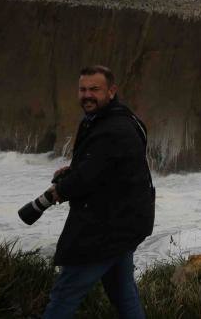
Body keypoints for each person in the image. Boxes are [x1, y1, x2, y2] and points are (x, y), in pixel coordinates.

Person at [43, 65, 154, 318]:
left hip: (102, 229)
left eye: (95, 89)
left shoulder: (112, 129)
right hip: (126, 224)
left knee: (64, 295)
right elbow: (105, 167)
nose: (87, 95)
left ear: (111, 91)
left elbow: (87, 176)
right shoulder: (118, 119)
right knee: (123, 292)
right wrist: (73, 169)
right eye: (82, 89)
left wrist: (60, 190)